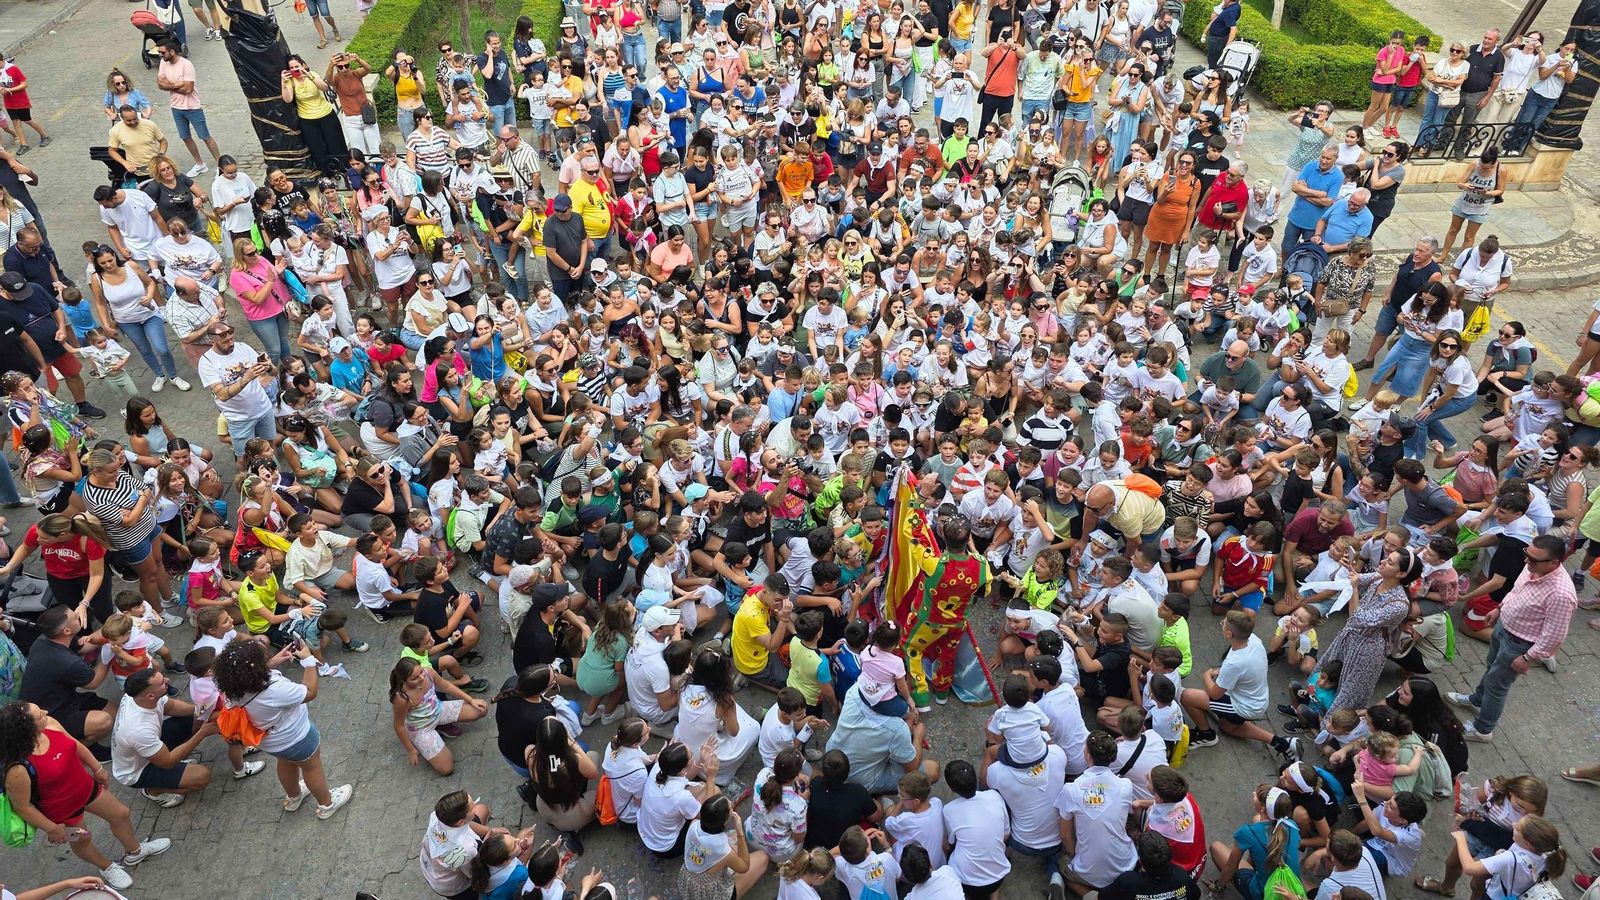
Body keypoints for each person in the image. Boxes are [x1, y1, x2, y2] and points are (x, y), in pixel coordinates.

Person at [0, 701, 170, 891]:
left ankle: (135, 851)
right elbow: (23, 807)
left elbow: (75, 745)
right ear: (27, 729)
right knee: (82, 839)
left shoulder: (51, 723)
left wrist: (97, 768)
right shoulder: (16, 769)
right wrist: (52, 828)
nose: (46, 712)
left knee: (121, 813)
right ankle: (106, 867)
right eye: (40, 715)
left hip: (86, 788)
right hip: (62, 812)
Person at [1447, 534, 1575, 741]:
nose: (1526, 561)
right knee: (1491, 669)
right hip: (1503, 627)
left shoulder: (1561, 594)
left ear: (1554, 563)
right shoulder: (1533, 566)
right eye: (1527, 554)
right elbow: (1517, 591)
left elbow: (1555, 634)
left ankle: (1483, 729)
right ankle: (1477, 700)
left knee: (1497, 685)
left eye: (1533, 559)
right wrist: (1499, 609)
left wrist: (1528, 658)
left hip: (1520, 644)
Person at [212, 637, 353, 819]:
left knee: (285, 762)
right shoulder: (274, 689)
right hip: (296, 737)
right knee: (311, 768)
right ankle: (327, 803)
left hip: (271, 741)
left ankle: (294, 796)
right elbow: (310, 692)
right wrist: (309, 660)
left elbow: (252, 677)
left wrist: (270, 664)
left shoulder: (234, 686)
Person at [111, 667, 261, 808]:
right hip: (138, 770)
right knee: (201, 777)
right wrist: (202, 733)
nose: (168, 680)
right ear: (150, 695)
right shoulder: (138, 730)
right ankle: (153, 791)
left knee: (195, 721)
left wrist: (203, 712)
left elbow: (172, 707)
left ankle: (240, 748)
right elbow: (167, 761)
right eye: (163, 683)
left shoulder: (137, 697)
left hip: (150, 745)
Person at [197, 321, 276, 456]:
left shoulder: (243, 347)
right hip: (239, 418)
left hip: (263, 408)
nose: (231, 343)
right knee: (244, 457)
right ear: (212, 342)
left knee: (269, 445)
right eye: (225, 341)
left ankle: (274, 472)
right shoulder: (207, 362)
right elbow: (222, 395)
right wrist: (247, 377)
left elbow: (274, 373)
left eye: (231, 338)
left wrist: (268, 367)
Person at [153, 41, 221, 177]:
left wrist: (170, 85)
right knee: (185, 137)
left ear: (172, 51)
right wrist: (177, 84)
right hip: (176, 107)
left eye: (163, 52)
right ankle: (200, 164)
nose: (161, 55)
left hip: (192, 107)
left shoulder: (186, 65)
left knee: (205, 136)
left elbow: (188, 89)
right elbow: (160, 84)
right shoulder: (163, 63)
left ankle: (220, 164)